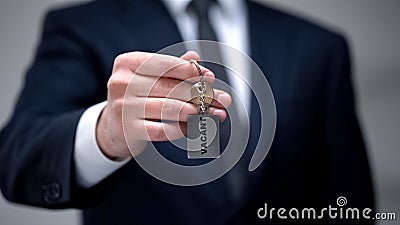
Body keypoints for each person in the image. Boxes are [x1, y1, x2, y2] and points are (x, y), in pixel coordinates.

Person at [0, 0, 374, 224]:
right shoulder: (80, 28)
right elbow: (18, 158)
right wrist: (105, 133)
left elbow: (349, 200)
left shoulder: (318, 46)